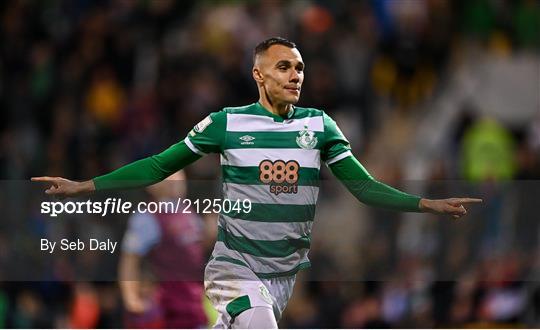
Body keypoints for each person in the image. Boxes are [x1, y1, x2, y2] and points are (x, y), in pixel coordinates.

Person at [33, 37, 482, 328]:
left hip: (283, 275)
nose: (295, 75)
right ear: (259, 75)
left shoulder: (321, 126)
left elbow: (363, 188)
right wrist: (85, 185)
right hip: (234, 268)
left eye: (299, 68)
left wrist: (427, 204)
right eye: (284, 67)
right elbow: (156, 166)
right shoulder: (225, 124)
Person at [118, 171, 209, 328]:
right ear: (151, 186)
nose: (177, 179)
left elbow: (196, 251)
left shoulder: (189, 211)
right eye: (169, 174)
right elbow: (129, 261)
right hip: (168, 310)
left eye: (179, 173)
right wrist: (131, 299)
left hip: (195, 303)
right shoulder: (146, 217)